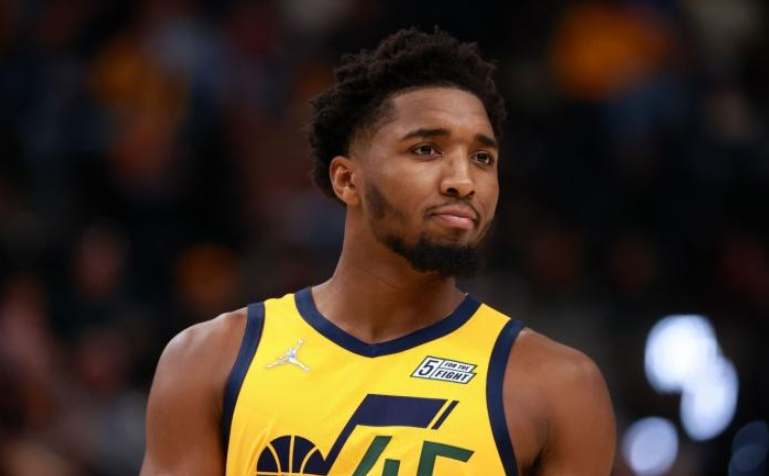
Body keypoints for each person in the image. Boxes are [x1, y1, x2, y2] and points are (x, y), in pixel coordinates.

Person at [140, 28, 615, 476]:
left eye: (482, 158)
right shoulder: (211, 358)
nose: (463, 181)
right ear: (347, 180)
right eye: (426, 150)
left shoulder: (558, 385)